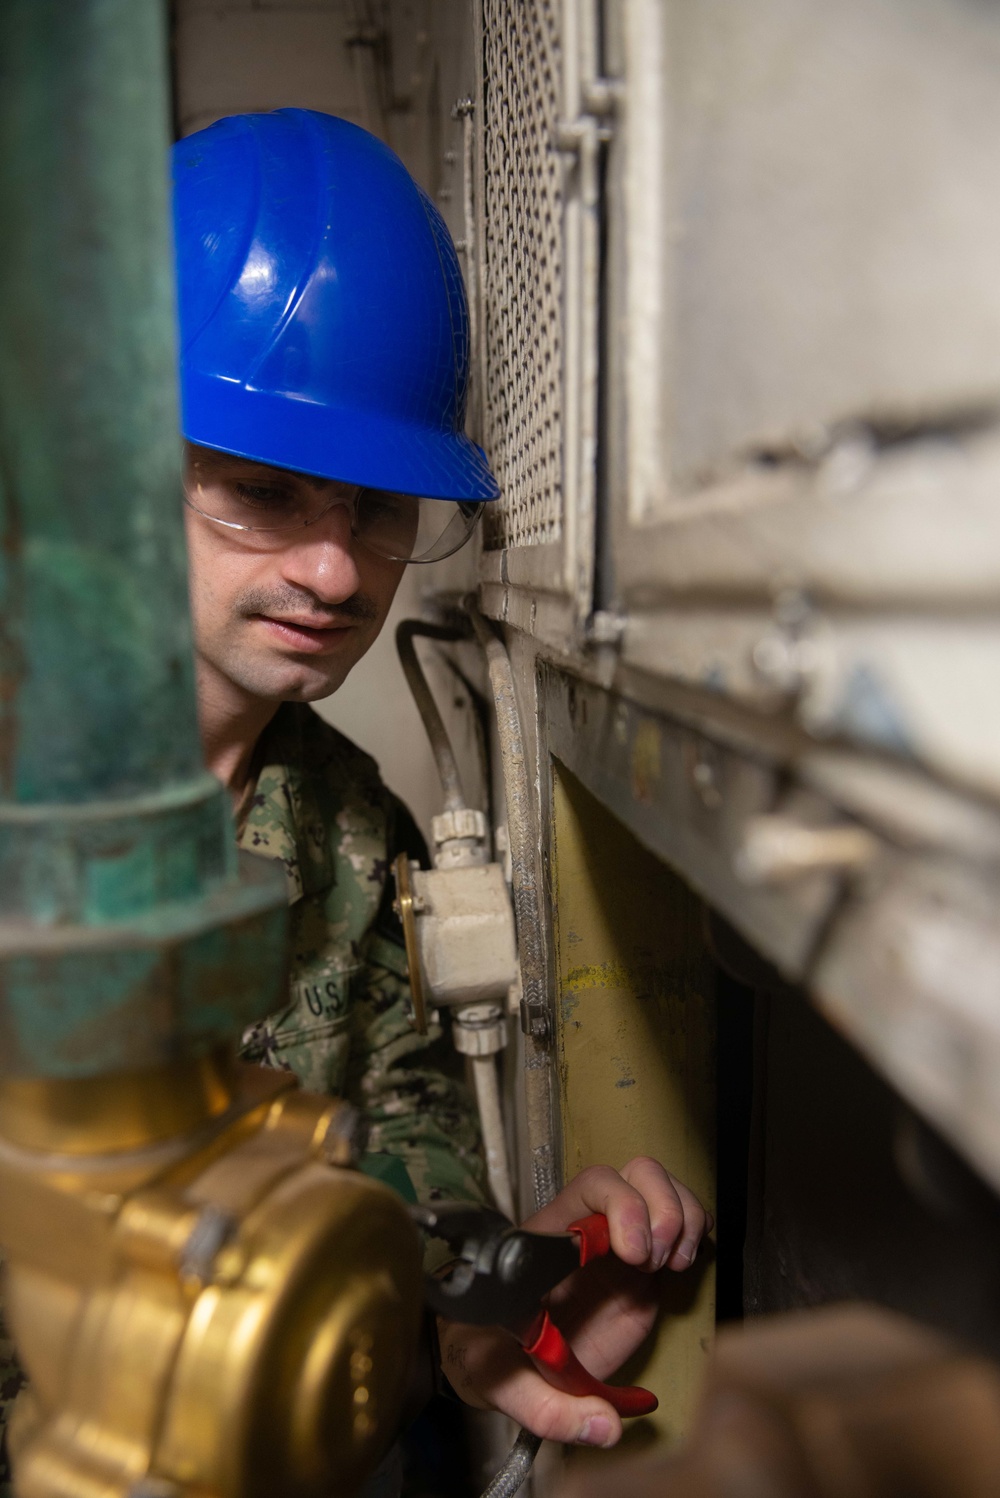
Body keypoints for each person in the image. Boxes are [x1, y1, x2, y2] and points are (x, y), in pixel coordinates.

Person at [0, 108, 711, 1489]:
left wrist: (474, 1286)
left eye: (378, 507)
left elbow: (400, 1111)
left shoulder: (341, 819)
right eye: (262, 496)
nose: (336, 574)